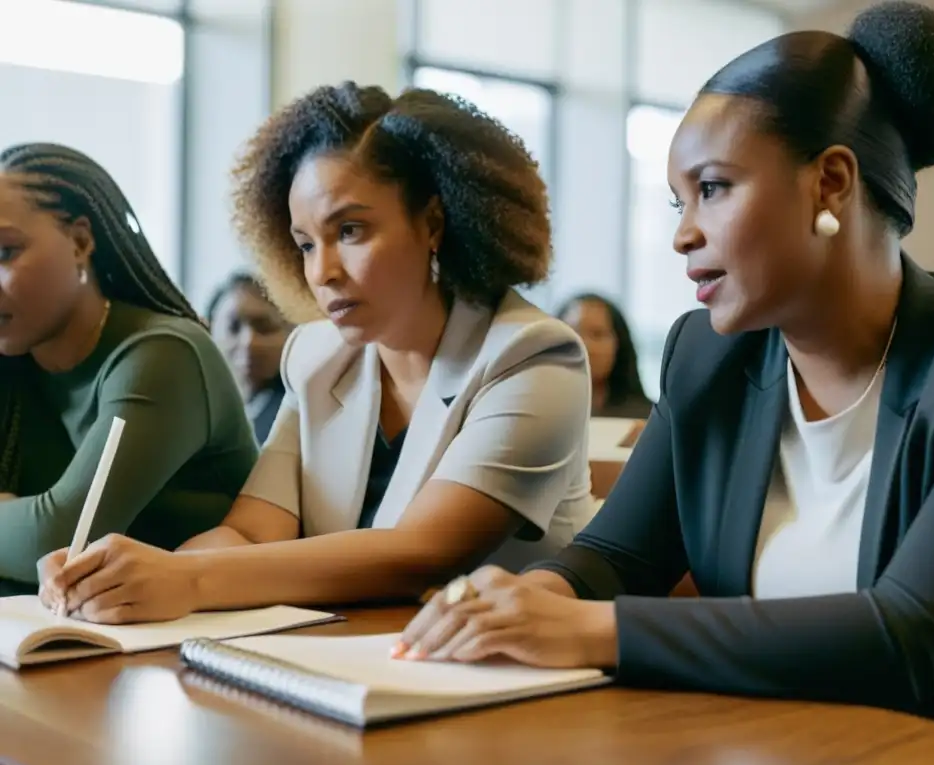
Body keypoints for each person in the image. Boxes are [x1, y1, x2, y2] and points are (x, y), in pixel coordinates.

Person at [396, 2, 934, 740]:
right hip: (756, 743)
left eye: (713, 188)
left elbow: (908, 639)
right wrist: (526, 597)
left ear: (830, 183)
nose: (682, 234)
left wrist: (592, 632)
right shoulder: (710, 356)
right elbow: (616, 555)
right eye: (677, 201)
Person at [38, 82, 593, 623]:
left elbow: (421, 554)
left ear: (433, 223)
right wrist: (129, 577)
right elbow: (250, 533)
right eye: (305, 244)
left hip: (505, 684)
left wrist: (188, 582)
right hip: (348, 665)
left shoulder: (534, 355)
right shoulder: (317, 356)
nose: (321, 272)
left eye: (349, 230)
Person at [0, 143, 257, 596]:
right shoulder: (15, 360)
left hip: (199, 639)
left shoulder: (163, 353)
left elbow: (59, 538)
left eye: (4, 252)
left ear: (80, 242)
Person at [207, 272, 292, 444]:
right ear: (209, 332)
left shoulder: (298, 415)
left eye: (264, 328)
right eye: (233, 327)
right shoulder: (192, 409)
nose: (249, 342)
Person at [557, 293, 652, 419]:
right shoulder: (537, 413)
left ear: (619, 343)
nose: (585, 345)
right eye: (573, 333)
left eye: (597, 334)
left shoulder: (650, 420)